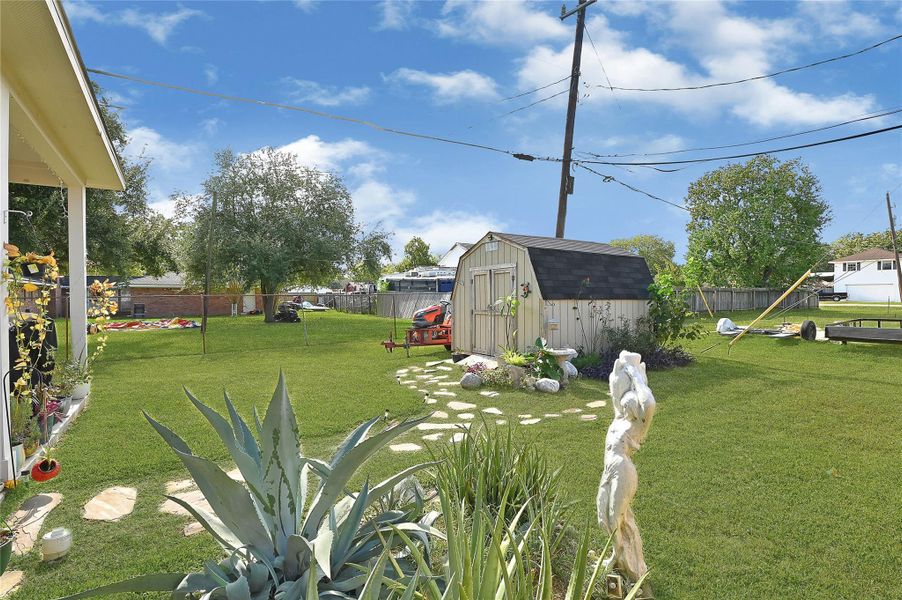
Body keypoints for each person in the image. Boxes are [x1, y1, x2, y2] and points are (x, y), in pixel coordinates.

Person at [596, 350, 656, 596]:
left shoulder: (638, 426)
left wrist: (635, 374)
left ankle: (622, 562)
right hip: (608, 470)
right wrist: (623, 370)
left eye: (629, 402)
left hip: (623, 470)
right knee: (604, 517)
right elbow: (615, 392)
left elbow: (649, 404)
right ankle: (620, 553)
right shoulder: (618, 419)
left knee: (616, 516)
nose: (623, 404)